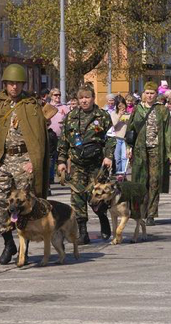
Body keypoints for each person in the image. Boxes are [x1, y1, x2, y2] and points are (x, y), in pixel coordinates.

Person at [0, 64, 50, 265]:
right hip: (3, 160)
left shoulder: (31, 106)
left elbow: (40, 138)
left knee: (26, 205)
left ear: (22, 84)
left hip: (25, 160)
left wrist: (35, 161)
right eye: (10, 83)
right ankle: (8, 242)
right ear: (5, 84)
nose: (14, 87)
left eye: (17, 83)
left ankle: (25, 248)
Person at [58, 83, 116, 244]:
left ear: (93, 98)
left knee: (97, 197)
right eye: (81, 98)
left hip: (96, 164)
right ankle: (82, 231)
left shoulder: (102, 116)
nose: (84, 101)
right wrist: (62, 161)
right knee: (77, 198)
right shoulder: (71, 116)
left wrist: (108, 156)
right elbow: (63, 141)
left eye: (87, 97)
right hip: (77, 164)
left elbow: (111, 138)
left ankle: (103, 217)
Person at [126, 81, 171, 226]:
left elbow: (168, 132)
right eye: (147, 93)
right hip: (140, 150)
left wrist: (170, 152)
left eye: (152, 93)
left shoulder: (162, 110)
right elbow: (131, 129)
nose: (149, 96)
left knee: (154, 181)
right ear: (143, 94)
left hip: (156, 149)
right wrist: (129, 147)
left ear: (156, 94)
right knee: (140, 181)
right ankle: (139, 212)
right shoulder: (137, 109)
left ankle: (151, 214)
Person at [111, 97, 130, 175]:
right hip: (117, 138)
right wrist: (119, 116)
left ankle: (123, 174)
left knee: (124, 158)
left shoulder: (128, 114)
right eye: (119, 106)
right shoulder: (113, 114)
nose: (122, 108)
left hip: (125, 139)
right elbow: (113, 125)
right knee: (117, 158)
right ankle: (118, 173)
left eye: (123, 105)